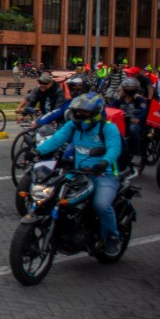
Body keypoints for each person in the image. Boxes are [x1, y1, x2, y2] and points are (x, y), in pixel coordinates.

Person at [34, 93, 123, 256]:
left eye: (85, 112)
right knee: (46, 195)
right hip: (76, 174)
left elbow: (114, 148)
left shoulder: (108, 128)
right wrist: (37, 150)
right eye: (78, 111)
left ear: (96, 112)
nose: (81, 115)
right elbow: (56, 139)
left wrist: (104, 162)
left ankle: (112, 238)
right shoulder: (73, 125)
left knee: (101, 205)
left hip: (104, 175)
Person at [109, 77, 148, 164]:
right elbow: (111, 108)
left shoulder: (139, 99)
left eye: (132, 87)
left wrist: (137, 118)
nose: (129, 89)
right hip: (120, 121)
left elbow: (143, 111)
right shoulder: (119, 99)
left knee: (133, 130)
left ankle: (137, 154)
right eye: (128, 87)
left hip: (133, 122)